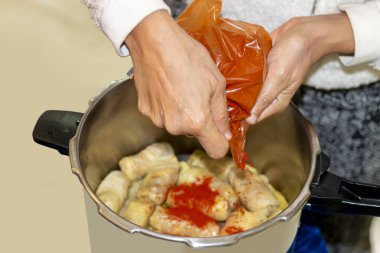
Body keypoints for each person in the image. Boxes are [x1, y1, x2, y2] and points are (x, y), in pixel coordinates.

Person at [81, 0, 380, 252]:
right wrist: (139, 24)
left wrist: (337, 32)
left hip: (353, 85)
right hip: (184, 44)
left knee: (341, 238)